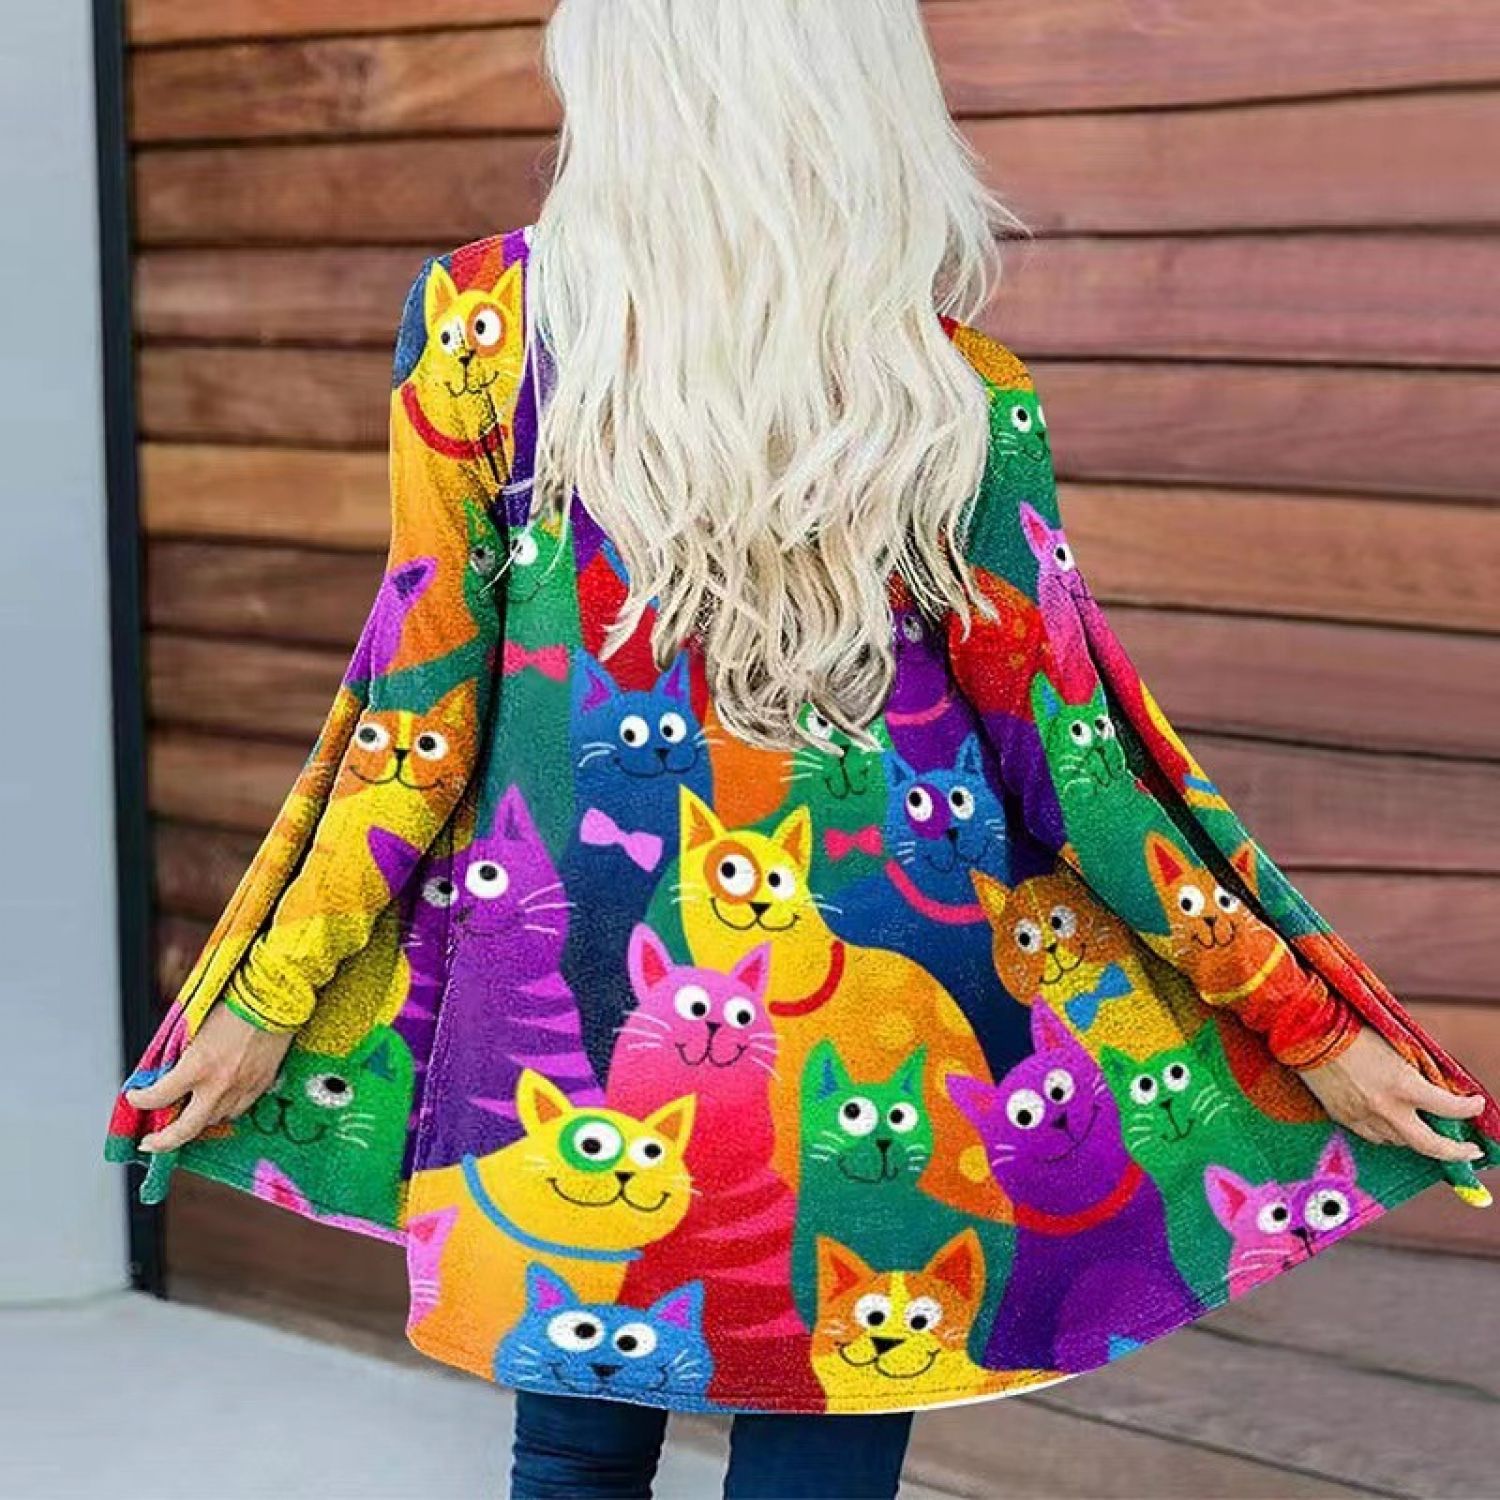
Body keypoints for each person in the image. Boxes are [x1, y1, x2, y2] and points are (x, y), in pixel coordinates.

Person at [105, 2, 1496, 1497]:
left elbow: (416, 722)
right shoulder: (949, 389)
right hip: (876, 1041)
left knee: (571, 1458)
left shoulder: (482, 331)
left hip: (585, 1021)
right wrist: (1315, 1027)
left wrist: (261, 996)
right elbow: (1080, 769)